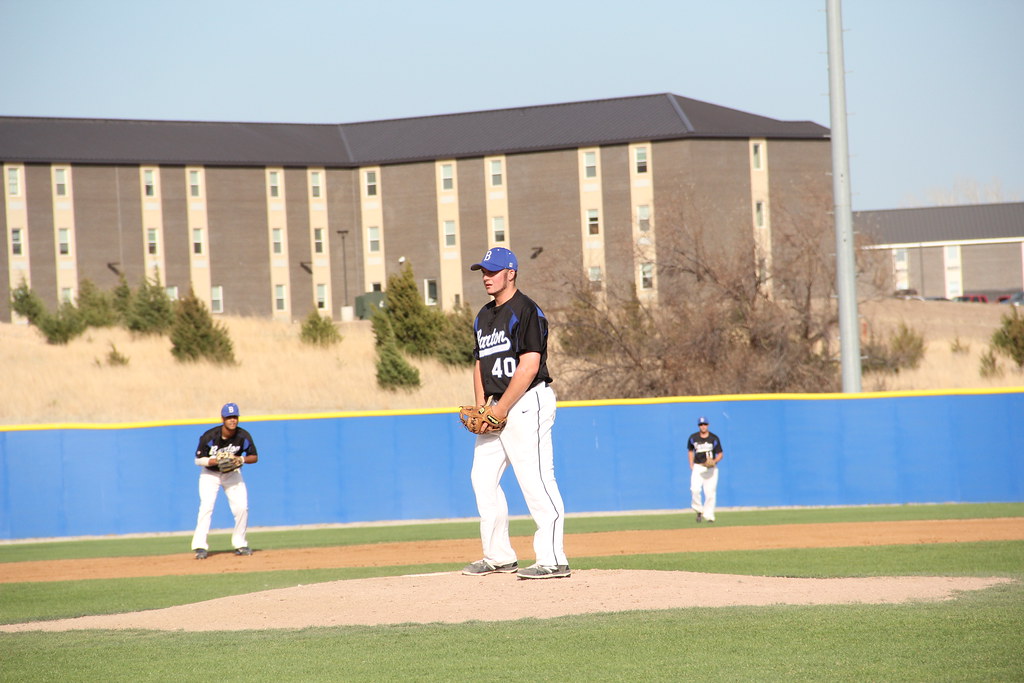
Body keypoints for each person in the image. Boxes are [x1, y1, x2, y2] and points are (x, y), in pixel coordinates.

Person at [461, 247, 571, 579]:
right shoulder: (483, 315)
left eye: (492, 271)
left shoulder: (526, 311)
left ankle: (553, 560)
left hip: (526, 402)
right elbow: (480, 364)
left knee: (535, 478)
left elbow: (530, 363)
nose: (486, 276)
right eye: (483, 271)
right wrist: (484, 407)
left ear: (511, 273)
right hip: (496, 405)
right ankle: (499, 556)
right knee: (482, 478)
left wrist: (502, 408)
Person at [190, 402, 258, 559]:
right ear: (223, 419)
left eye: (235, 417)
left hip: (232, 473)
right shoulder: (209, 436)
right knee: (206, 507)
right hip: (210, 474)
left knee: (242, 507)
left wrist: (240, 459)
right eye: (229, 417)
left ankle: (240, 543)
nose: (232, 420)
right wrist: (214, 461)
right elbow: (198, 460)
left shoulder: (243, 436)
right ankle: (200, 546)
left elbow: (254, 457)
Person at [688, 416, 723, 523]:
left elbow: (720, 453)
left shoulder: (714, 438)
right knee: (694, 489)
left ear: (708, 425)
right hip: (698, 466)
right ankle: (699, 510)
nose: (703, 426)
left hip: (711, 468)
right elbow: (690, 451)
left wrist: (714, 461)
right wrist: (691, 464)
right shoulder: (693, 438)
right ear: (698, 426)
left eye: (705, 424)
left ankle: (709, 516)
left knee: (710, 493)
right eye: (701, 424)